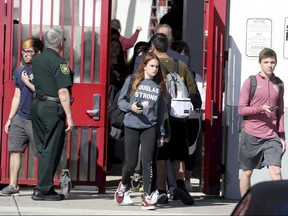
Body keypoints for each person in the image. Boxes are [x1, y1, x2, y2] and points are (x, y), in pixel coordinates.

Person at [114, 52, 166, 210]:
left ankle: (148, 196)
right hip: (132, 125)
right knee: (130, 163)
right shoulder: (132, 80)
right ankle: (123, 186)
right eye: (152, 66)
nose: (155, 69)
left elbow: (161, 113)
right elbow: (121, 101)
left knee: (148, 161)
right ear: (144, 66)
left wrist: (161, 133)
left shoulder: (159, 86)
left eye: (157, 67)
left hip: (150, 126)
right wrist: (131, 107)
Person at [150, 33, 196, 206]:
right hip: (179, 117)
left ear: (153, 47)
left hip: (160, 118)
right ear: (168, 47)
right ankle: (180, 186)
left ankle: (161, 191)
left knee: (161, 156)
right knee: (178, 155)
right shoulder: (181, 65)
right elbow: (192, 92)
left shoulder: (152, 66)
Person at [31, 27, 74, 201]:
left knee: (43, 148)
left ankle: (43, 186)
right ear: (61, 42)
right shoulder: (60, 63)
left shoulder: (37, 59)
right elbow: (63, 91)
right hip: (52, 108)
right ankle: (43, 189)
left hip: (37, 105)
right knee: (52, 149)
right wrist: (70, 116)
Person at [238, 48, 286, 197]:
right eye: (266, 62)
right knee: (247, 172)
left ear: (276, 63)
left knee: (276, 171)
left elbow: (280, 112)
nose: (269, 65)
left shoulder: (279, 84)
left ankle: (279, 207)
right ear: (260, 63)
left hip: (271, 135)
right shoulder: (250, 82)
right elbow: (241, 109)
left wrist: (282, 136)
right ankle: (245, 206)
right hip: (251, 133)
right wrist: (260, 109)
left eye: (272, 62)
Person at [0, 37, 43, 196]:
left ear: (38, 52)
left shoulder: (42, 70)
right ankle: (13, 185)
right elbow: (17, 95)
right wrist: (10, 118)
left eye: (30, 52)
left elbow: (43, 93)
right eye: (24, 52)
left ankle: (57, 179)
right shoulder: (21, 70)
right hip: (20, 117)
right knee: (15, 150)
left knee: (42, 152)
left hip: (36, 119)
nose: (26, 55)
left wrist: (27, 82)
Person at [171, 40, 204, 192]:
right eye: (181, 54)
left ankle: (188, 179)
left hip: (192, 117)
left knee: (190, 149)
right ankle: (176, 181)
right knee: (176, 149)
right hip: (174, 116)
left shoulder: (195, 75)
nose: (185, 58)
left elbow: (200, 98)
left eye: (186, 55)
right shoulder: (168, 73)